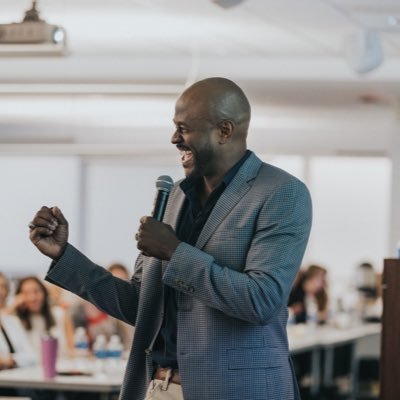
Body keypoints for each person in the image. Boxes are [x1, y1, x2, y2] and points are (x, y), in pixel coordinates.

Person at [28, 77, 312, 400]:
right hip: (159, 388)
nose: (174, 138)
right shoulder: (174, 195)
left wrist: (174, 251)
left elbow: (262, 300)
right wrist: (64, 255)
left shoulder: (281, 193)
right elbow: (141, 305)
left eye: (184, 128)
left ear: (224, 131)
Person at [13, 276, 75, 357]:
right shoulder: (16, 322)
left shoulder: (60, 314)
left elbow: (72, 348)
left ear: (44, 292)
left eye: (36, 291)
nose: (33, 298)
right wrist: (13, 305)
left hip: (63, 367)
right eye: (26, 293)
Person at [0, 272, 37, 370]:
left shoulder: (12, 321)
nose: (1, 292)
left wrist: (10, 361)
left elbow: (32, 357)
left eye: (3, 287)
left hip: (18, 380)